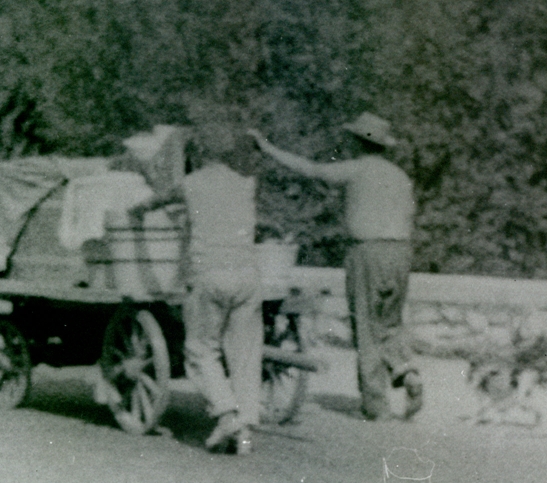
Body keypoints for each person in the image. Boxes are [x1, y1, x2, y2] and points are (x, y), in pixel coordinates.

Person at [250, 113, 422, 420]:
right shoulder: (399, 176)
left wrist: (268, 149)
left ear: (359, 142)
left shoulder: (356, 169)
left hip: (367, 251)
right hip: (401, 252)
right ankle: (406, 371)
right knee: (390, 323)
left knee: (366, 326)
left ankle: (376, 405)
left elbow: (311, 170)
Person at [129, 161, 261, 455]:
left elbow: (157, 200)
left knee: (201, 348)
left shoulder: (191, 183)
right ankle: (246, 429)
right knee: (246, 354)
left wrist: (136, 210)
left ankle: (226, 416)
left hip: (211, 274)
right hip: (248, 276)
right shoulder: (245, 184)